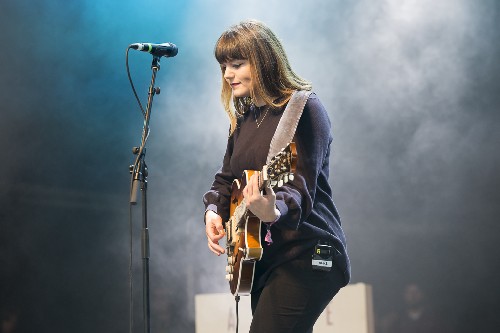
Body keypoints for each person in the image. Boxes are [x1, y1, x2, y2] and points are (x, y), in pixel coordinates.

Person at [203, 19, 351, 333]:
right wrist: (213, 211)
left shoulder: (303, 108)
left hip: (308, 253)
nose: (228, 74)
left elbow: (298, 188)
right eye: (224, 66)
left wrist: (272, 209)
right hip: (269, 259)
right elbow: (226, 178)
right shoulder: (245, 117)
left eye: (237, 64)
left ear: (263, 61)